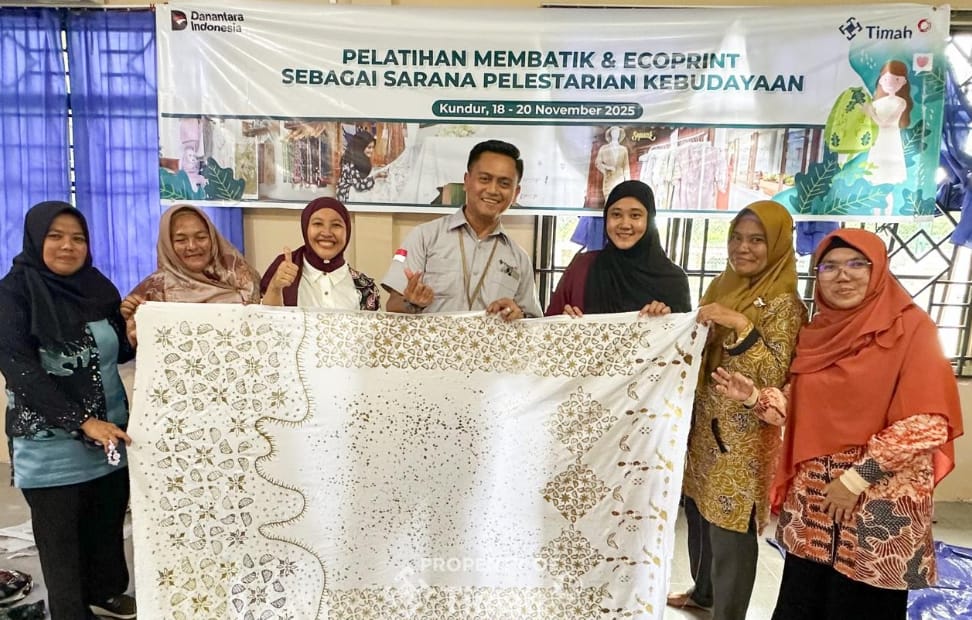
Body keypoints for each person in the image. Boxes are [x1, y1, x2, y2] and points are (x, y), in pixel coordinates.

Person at [712, 229, 964, 620]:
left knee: (862, 608)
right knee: (803, 603)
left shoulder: (914, 330)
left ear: (877, 270)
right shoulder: (818, 333)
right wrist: (754, 397)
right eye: (829, 267)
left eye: (856, 264)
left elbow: (927, 422)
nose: (842, 276)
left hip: (878, 504)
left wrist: (854, 481)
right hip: (814, 503)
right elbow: (801, 407)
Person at [668, 200, 807, 620]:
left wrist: (740, 325)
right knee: (700, 514)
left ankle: (727, 613)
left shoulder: (784, 305)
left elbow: (774, 373)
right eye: (737, 238)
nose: (743, 248)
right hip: (704, 426)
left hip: (744, 436)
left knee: (731, 527)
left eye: (757, 240)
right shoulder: (722, 286)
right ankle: (703, 592)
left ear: (777, 245)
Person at [0, 201, 137, 620]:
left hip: (110, 433)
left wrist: (132, 332)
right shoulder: (13, 294)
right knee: (61, 538)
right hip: (50, 441)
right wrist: (82, 421)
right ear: (35, 239)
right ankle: (71, 611)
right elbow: (20, 371)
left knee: (105, 524)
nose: (68, 246)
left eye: (78, 238)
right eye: (55, 236)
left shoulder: (97, 288)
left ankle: (105, 592)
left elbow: (116, 351)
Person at [381, 139, 542, 320]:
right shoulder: (424, 237)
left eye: (504, 183)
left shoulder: (519, 259)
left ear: (516, 193)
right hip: (434, 339)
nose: (493, 190)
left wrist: (519, 315)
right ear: (466, 181)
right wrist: (412, 303)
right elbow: (392, 306)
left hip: (489, 340)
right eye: (484, 179)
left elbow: (533, 322)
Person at [546, 180, 690, 317]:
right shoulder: (582, 267)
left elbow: (686, 333)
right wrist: (562, 321)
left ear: (650, 220)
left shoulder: (673, 280)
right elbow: (546, 327)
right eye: (616, 215)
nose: (625, 224)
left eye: (635, 215)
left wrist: (666, 320)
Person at [121, 204, 260, 319]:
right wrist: (131, 318)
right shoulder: (153, 290)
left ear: (213, 239)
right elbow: (138, 338)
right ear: (168, 246)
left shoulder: (242, 277)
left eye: (201, 237)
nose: (192, 246)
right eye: (181, 240)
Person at [261, 197, 380, 310]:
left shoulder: (366, 288)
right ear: (305, 228)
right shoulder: (283, 271)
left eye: (336, 225)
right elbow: (264, 320)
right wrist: (275, 287)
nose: (327, 233)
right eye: (318, 224)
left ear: (347, 231)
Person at [863, 60, 911, 187]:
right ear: (880, 81)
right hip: (878, 138)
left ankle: (889, 192)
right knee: (877, 164)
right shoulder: (877, 103)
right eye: (886, 79)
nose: (890, 83)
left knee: (891, 166)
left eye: (896, 79)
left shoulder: (900, 102)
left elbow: (885, 124)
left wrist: (871, 113)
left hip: (892, 137)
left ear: (903, 82)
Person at [336, 129, 383, 202]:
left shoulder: (361, 159)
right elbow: (359, 186)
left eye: (372, 147)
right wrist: (375, 177)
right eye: (369, 147)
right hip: (346, 195)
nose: (371, 150)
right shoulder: (351, 162)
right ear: (360, 146)